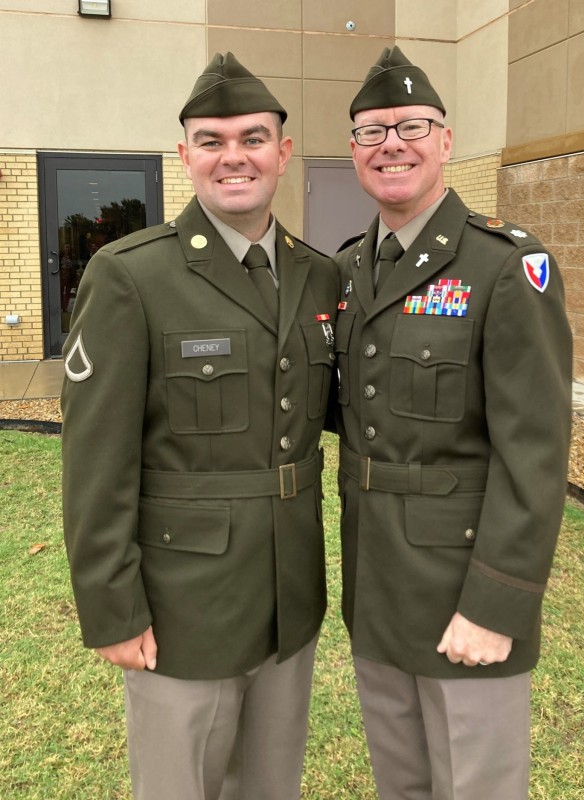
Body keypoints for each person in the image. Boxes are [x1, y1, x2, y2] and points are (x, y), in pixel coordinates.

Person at [62, 52, 339, 800]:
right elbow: (96, 463)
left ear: (283, 152)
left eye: (253, 138)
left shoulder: (319, 275)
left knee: (272, 785)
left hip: (290, 599)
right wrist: (113, 609)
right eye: (211, 141)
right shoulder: (131, 276)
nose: (233, 156)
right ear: (184, 156)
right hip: (183, 609)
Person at [334, 46, 572, 800]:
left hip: (462, 597)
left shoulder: (504, 265)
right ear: (354, 151)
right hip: (376, 592)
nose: (391, 144)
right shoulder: (349, 269)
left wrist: (495, 604)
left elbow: (535, 452)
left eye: (411, 126)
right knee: (400, 783)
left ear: (444, 140)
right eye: (372, 131)